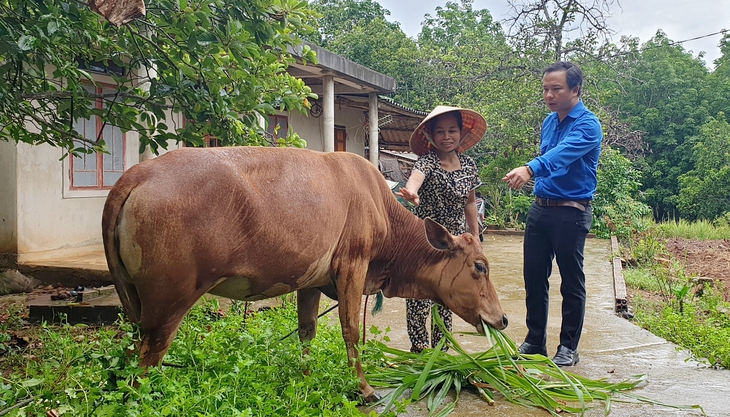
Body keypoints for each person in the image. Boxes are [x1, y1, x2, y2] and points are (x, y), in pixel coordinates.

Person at [502, 62, 603, 367]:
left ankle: (569, 346)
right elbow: (550, 154)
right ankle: (535, 341)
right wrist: (534, 172)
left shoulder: (588, 125)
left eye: (556, 88)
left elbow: (560, 155)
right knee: (534, 277)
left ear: (575, 90)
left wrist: (530, 168)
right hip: (541, 209)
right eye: (545, 88)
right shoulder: (549, 122)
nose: (549, 94)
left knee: (571, 281)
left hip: (571, 212)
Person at [396, 105, 485, 353]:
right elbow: (416, 178)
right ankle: (420, 348)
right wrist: (411, 192)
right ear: (431, 136)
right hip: (426, 241)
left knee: (448, 293)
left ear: (461, 134)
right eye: (440, 132)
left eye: (452, 131)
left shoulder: (468, 165)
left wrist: (475, 237)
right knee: (419, 294)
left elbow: (470, 201)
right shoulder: (427, 162)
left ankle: (441, 349)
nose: (447, 137)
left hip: (455, 244)